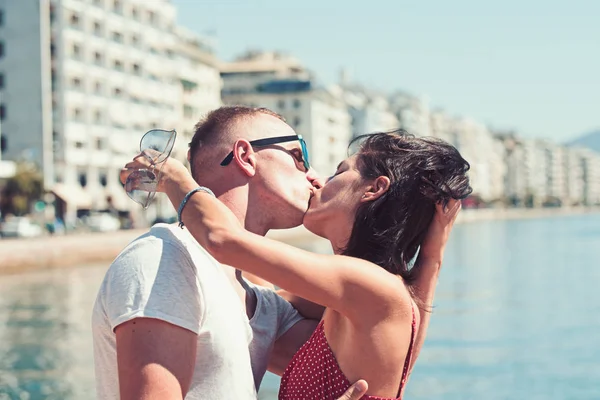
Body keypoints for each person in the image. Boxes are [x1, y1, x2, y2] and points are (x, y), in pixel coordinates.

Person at [123, 129, 472, 399]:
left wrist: (172, 175)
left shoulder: (370, 286)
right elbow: (251, 292)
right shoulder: (368, 299)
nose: (318, 179)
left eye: (339, 172)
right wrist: (432, 254)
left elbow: (223, 239)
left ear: (373, 189)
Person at [92, 106, 369, 400]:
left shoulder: (259, 302)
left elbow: (373, 341)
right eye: (299, 156)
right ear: (246, 157)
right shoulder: (165, 260)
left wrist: (354, 217)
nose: (314, 177)